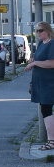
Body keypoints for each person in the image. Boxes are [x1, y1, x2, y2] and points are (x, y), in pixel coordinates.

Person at [25, 22, 54, 151]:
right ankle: (51, 140)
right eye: (36, 31)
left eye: (40, 30)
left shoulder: (52, 43)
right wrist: (33, 61)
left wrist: (35, 62)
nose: (38, 33)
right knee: (45, 109)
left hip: (50, 83)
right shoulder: (42, 44)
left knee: (46, 109)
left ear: (47, 30)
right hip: (41, 83)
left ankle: (51, 141)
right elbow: (40, 61)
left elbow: (51, 63)